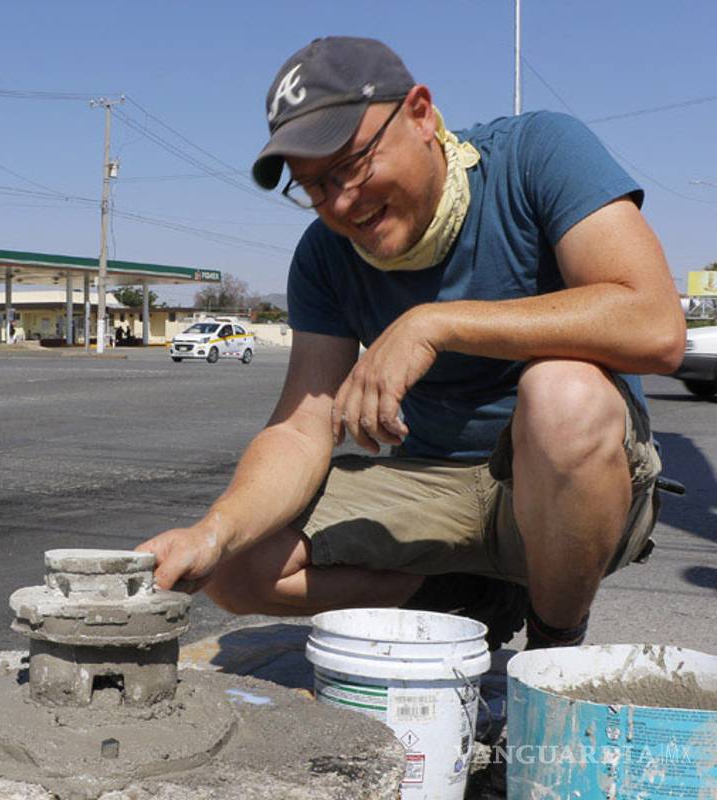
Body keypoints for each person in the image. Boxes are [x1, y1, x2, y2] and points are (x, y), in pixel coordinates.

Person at [136, 37, 684, 653]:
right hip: (434, 485)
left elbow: (656, 325)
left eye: (350, 165)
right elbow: (300, 429)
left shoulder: (539, 154)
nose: (340, 203)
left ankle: (553, 648)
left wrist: (437, 323)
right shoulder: (325, 255)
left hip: (570, 484)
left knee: (561, 392)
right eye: (314, 188)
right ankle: (468, 596)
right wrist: (212, 533)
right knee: (237, 566)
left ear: (421, 114)